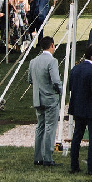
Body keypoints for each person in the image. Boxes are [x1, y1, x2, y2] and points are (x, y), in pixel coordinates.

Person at [68, 42, 92, 175]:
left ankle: (74, 165)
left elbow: (71, 88)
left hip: (78, 108)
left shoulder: (75, 69)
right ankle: (91, 167)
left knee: (77, 136)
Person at [29, 35, 62, 165]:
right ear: (52, 45)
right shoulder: (52, 61)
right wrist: (60, 90)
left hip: (38, 98)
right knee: (50, 127)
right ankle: (48, 157)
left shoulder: (33, 61)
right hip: (50, 98)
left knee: (40, 127)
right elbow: (55, 80)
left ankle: (38, 157)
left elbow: (30, 80)